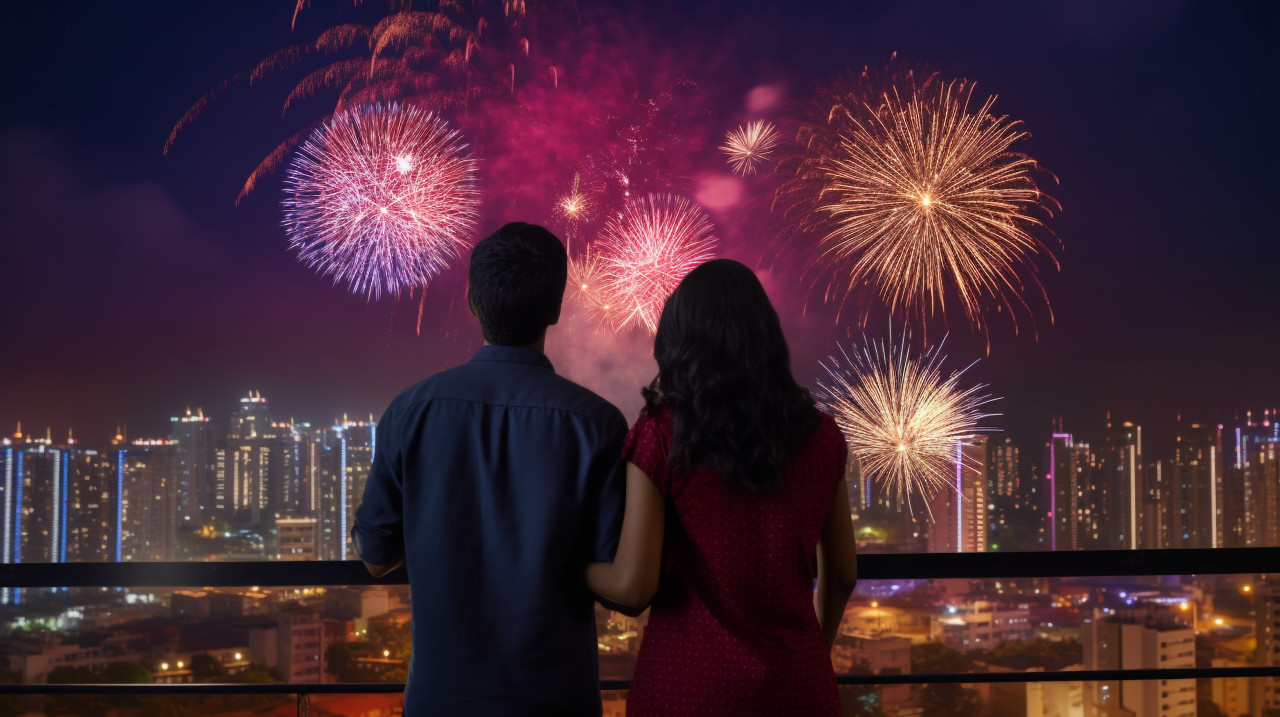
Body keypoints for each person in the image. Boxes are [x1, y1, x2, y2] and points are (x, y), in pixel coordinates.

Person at [354, 222, 628, 716]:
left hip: (442, 700)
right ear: (556, 308)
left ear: (471, 302)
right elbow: (613, 572)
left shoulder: (410, 411)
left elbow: (375, 557)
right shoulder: (598, 423)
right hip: (556, 701)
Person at [585, 258, 859, 716]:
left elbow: (633, 588)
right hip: (800, 687)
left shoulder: (662, 432)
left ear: (678, 341)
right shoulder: (822, 436)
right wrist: (814, 655)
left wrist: (568, 566)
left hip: (687, 691)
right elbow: (843, 575)